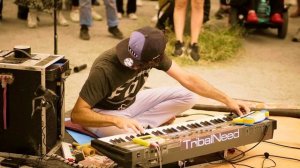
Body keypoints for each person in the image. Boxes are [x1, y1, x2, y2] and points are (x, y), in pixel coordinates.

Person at [71, 26, 250, 137]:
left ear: (155, 60)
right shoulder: (105, 68)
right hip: (103, 112)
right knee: (129, 138)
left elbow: (188, 79)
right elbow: (77, 114)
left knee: (189, 96)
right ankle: (139, 125)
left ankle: (140, 124)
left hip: (130, 103)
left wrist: (228, 100)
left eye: (138, 64)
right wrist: (115, 121)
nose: (132, 66)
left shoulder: (154, 54)